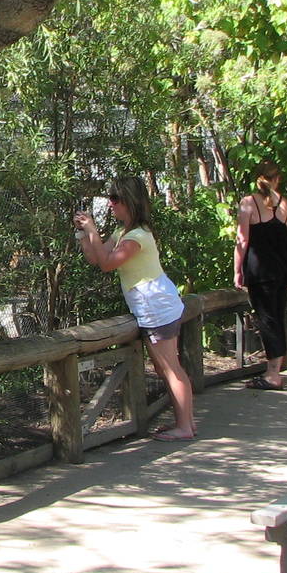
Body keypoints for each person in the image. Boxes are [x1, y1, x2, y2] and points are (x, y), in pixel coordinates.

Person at [74, 177, 196, 440]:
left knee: (169, 367)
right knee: (165, 368)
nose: (111, 204)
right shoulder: (123, 233)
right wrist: (83, 234)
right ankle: (184, 423)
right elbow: (97, 258)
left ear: (129, 201)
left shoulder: (137, 236)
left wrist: (93, 229)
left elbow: (108, 264)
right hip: (150, 304)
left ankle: (185, 426)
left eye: (115, 199)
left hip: (156, 306)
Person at [233, 160, 287, 390]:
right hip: (284, 272)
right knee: (277, 317)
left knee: (267, 320)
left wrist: (237, 270)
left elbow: (242, 240)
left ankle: (273, 374)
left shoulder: (248, 203)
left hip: (260, 272)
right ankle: (274, 369)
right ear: (277, 179)